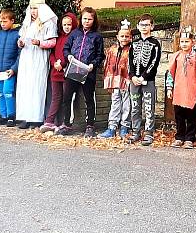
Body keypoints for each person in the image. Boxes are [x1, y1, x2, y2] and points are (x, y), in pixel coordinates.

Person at [15, 0, 58, 129]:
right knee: (25, 85)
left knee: (37, 85)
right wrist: (20, 43)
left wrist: (39, 42)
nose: (33, 11)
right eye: (31, 8)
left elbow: (52, 42)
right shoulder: (27, 23)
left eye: (36, 8)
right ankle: (24, 116)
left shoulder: (48, 23)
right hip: (27, 56)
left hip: (39, 56)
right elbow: (20, 39)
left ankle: (36, 117)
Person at [61, 8, 105, 137]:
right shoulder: (74, 33)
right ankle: (67, 124)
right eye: (85, 18)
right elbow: (66, 48)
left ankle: (90, 125)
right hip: (73, 69)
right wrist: (68, 56)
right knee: (68, 98)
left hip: (88, 72)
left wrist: (93, 65)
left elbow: (100, 55)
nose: (87, 21)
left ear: (94, 20)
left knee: (89, 99)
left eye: (90, 19)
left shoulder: (97, 36)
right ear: (81, 19)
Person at [165, 27, 196, 149]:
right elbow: (171, 73)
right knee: (179, 116)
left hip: (192, 91)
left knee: (191, 116)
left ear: (193, 42)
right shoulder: (175, 57)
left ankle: (190, 138)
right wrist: (169, 88)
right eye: (182, 41)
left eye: (187, 41)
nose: (184, 44)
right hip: (178, 91)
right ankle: (179, 137)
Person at [40, 12, 79, 133]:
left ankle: (65, 123)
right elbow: (52, 53)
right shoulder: (59, 37)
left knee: (66, 99)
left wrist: (62, 64)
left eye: (69, 24)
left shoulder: (75, 37)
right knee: (55, 97)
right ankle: (50, 121)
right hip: (55, 72)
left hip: (67, 72)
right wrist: (54, 64)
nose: (66, 27)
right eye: (64, 25)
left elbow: (73, 54)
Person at [127, 14, 161, 146]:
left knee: (148, 107)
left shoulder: (155, 44)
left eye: (147, 24)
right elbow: (129, 61)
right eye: (142, 25)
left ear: (152, 26)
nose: (144, 27)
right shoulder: (134, 43)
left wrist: (143, 77)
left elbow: (154, 62)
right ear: (137, 26)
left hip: (148, 81)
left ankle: (149, 132)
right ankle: (135, 131)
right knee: (135, 107)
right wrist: (132, 77)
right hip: (134, 81)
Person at [98, 20, 133, 139]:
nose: (124, 38)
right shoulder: (112, 49)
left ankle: (124, 127)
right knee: (115, 104)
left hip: (126, 81)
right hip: (114, 81)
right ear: (117, 36)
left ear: (131, 37)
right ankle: (112, 127)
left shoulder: (132, 50)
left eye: (127, 36)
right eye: (122, 36)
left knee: (127, 105)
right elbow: (107, 65)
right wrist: (108, 81)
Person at [0, 10, 21, 127]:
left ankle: (11, 115)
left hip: (8, 71)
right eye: (1, 21)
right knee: (0, 93)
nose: (2, 24)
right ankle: (3, 115)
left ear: (12, 21)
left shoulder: (17, 35)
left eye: (5, 21)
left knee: (8, 92)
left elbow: (19, 54)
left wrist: (14, 69)